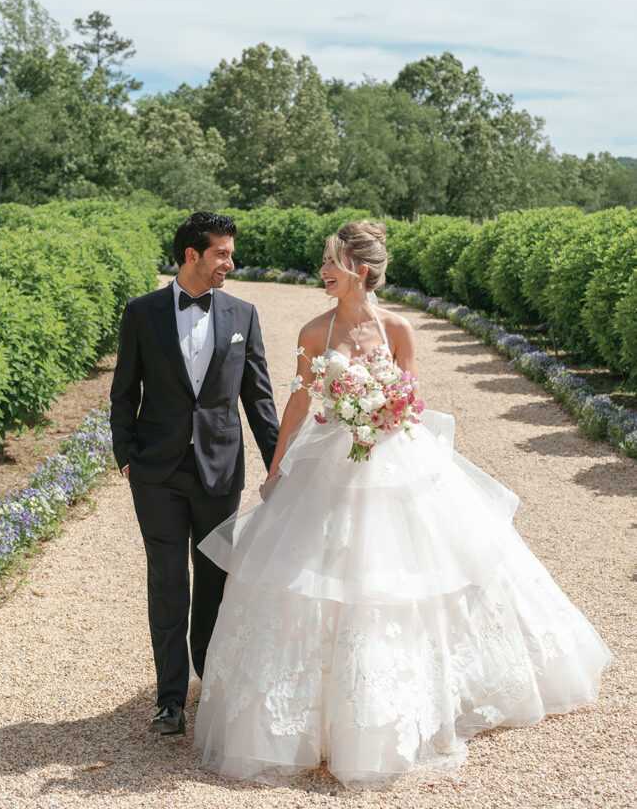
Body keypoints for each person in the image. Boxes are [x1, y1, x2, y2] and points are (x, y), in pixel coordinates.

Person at [192, 220, 610, 787]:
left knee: (407, 577)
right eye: (323, 263)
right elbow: (297, 400)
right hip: (330, 463)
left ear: (359, 270)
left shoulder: (398, 329)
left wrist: (383, 415)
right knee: (315, 577)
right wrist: (277, 467)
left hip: (395, 459)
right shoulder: (315, 331)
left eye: (330, 263)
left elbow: (411, 399)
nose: (322, 272)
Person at [110, 211, 280, 737]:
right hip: (156, 472)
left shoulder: (242, 314)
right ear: (193, 255)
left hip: (219, 470)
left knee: (213, 580)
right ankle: (169, 701)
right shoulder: (141, 313)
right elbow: (123, 391)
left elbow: (259, 398)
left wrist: (281, 464)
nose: (231, 262)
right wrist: (127, 455)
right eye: (223, 253)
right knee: (167, 582)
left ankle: (210, 684)